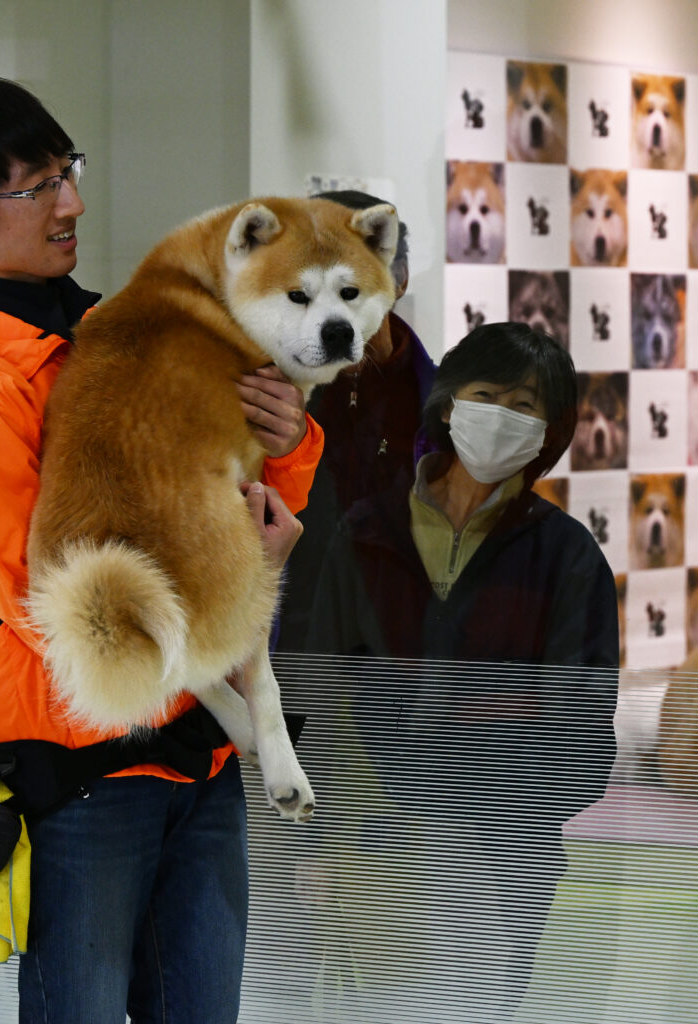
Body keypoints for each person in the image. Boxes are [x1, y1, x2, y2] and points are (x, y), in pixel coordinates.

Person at [0, 72, 323, 1024]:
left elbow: (237, 491)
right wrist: (240, 574)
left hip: (199, 754)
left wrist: (287, 445)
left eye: (69, 170)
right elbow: (57, 610)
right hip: (84, 770)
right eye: (37, 186)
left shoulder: (121, 331)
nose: (73, 201)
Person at [305, 322, 619, 1020]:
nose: (505, 416)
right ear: (449, 404)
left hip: (505, 859)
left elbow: (581, 731)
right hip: (373, 850)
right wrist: (312, 844)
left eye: (529, 406)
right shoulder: (363, 534)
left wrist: (491, 826)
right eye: (488, 394)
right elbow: (320, 699)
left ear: (549, 432)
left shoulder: (567, 558)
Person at [275, 189, 436, 653]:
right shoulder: (267, 403)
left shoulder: (451, 408)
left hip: (410, 672)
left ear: (398, 277)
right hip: (294, 668)